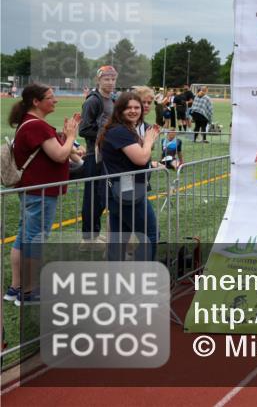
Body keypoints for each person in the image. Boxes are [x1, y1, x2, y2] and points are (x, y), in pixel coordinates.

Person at [3, 84, 82, 305]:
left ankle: (16, 288)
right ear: (36, 102)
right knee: (34, 239)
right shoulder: (36, 125)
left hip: (32, 190)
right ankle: (29, 292)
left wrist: (68, 141)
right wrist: (70, 136)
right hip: (41, 191)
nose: (55, 100)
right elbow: (59, 155)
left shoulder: (29, 123)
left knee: (24, 236)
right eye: (50, 97)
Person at [97, 91, 160, 262]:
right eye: (128, 108)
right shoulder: (119, 131)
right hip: (128, 193)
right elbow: (140, 158)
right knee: (150, 235)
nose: (133, 111)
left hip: (121, 192)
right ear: (119, 110)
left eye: (137, 107)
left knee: (118, 239)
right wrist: (148, 141)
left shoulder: (123, 129)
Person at [78, 64, 117, 248]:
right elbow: (84, 129)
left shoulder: (113, 100)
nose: (110, 82)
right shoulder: (93, 101)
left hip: (107, 156)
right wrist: (106, 134)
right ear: (99, 80)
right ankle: (87, 239)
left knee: (102, 197)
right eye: (106, 79)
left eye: (113, 79)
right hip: (93, 156)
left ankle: (94, 233)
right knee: (92, 197)